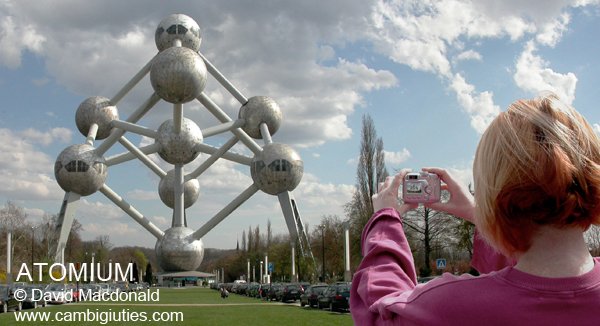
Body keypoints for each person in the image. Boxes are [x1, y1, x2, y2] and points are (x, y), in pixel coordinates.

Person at [350, 93, 600, 325]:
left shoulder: (447, 309)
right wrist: (475, 211)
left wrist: (385, 221)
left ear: (492, 192)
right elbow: (538, 279)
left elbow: (379, 312)